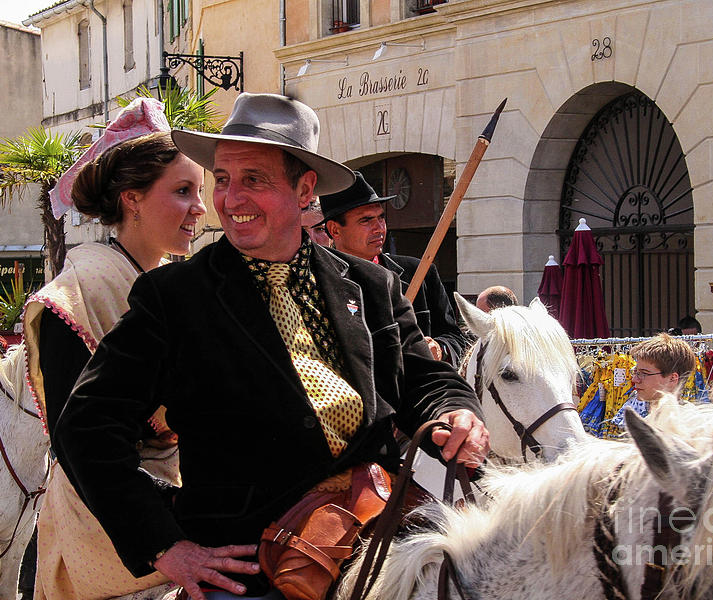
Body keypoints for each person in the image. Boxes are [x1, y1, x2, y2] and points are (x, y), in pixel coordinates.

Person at [53, 92, 488, 600]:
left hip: (376, 526)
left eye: (254, 180)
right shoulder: (176, 298)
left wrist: (456, 411)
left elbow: (423, 379)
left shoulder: (371, 286)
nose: (230, 199)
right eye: (223, 180)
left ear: (305, 190)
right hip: (250, 561)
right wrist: (165, 544)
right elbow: (84, 428)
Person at [23, 98, 205, 600]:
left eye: (201, 192)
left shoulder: (173, 282)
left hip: (185, 507)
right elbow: (82, 445)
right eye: (183, 191)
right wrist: (162, 537)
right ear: (132, 200)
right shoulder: (77, 294)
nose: (201, 208)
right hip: (107, 531)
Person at [320, 171, 468, 366]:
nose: (379, 228)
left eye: (381, 218)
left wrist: (440, 349)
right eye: (366, 220)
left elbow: (456, 338)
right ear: (335, 230)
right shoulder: (317, 282)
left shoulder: (419, 273)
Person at [630, 332, 698, 407]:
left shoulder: (686, 417)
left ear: (672, 378)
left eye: (644, 373)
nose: (634, 379)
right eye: (635, 372)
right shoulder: (633, 404)